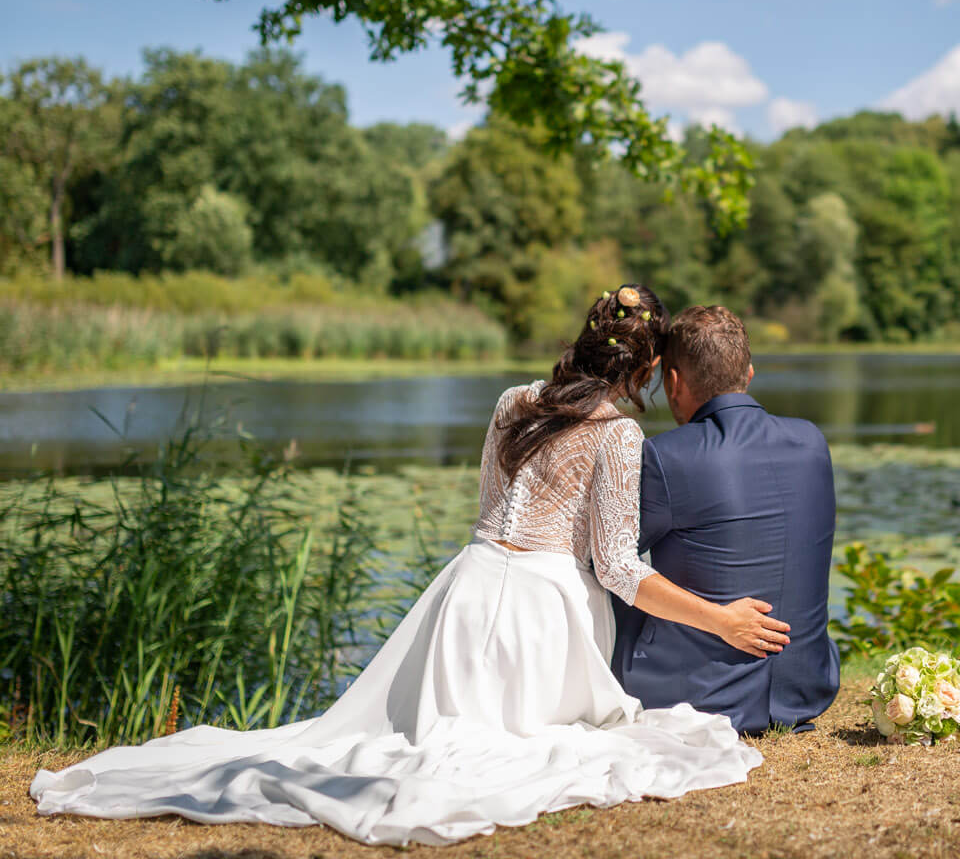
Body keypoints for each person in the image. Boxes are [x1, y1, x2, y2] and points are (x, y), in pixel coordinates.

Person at [31, 285, 788, 846]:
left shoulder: (513, 401)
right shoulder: (618, 436)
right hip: (543, 614)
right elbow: (619, 568)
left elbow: (492, 515)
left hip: (464, 591)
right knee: (527, 747)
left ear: (588, 337)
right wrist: (718, 616)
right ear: (651, 366)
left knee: (423, 735)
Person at [611, 305, 840, 735]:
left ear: (674, 381)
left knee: (603, 571)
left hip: (707, 697)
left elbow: (611, 561)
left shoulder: (665, 456)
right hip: (806, 688)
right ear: (748, 373)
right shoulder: (812, 441)